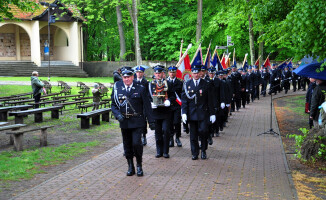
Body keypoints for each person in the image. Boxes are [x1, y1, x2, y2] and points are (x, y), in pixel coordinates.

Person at [111, 67, 154, 177]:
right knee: (127, 145)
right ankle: (130, 166)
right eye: (124, 77)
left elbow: (147, 105)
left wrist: (151, 121)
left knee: (136, 143)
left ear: (133, 77)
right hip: (124, 121)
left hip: (137, 120)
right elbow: (113, 105)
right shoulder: (117, 88)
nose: (127, 79)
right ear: (122, 78)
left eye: (129, 77)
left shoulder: (140, 88)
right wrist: (117, 115)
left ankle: (139, 165)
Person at [181, 65, 215, 160]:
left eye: (197, 73)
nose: (196, 75)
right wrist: (183, 112)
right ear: (191, 73)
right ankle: (194, 153)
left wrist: (212, 113)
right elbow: (184, 100)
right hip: (192, 114)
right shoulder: (187, 84)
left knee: (203, 131)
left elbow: (210, 100)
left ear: (200, 73)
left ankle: (203, 150)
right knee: (193, 135)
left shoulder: (206, 84)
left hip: (203, 113)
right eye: (194, 73)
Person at [149, 65, 173, 158]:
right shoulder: (150, 84)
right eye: (156, 73)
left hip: (166, 111)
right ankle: (159, 151)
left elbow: (173, 96)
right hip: (156, 112)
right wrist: (151, 103)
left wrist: (169, 101)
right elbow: (148, 96)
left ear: (163, 74)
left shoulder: (168, 84)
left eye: (159, 73)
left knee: (166, 130)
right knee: (158, 132)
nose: (158, 75)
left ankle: (165, 151)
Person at [166, 66, 183, 147]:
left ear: (176, 73)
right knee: (169, 123)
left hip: (177, 105)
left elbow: (182, 95)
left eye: (173, 72)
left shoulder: (180, 82)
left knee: (177, 122)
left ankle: (177, 138)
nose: (172, 74)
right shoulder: (164, 82)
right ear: (168, 73)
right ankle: (170, 139)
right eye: (170, 72)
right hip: (168, 106)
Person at [134, 66, 149, 146]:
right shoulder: (133, 82)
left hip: (143, 105)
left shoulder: (146, 82)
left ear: (143, 73)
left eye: (140, 72)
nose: (139, 74)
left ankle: (144, 135)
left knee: (143, 121)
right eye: (137, 72)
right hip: (135, 105)